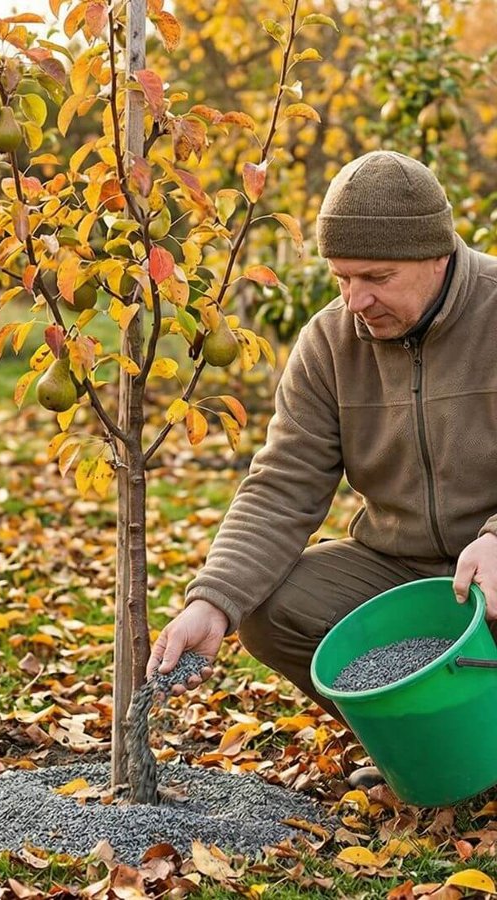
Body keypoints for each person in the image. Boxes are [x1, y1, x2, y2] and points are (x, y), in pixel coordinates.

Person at [147, 150, 497, 787]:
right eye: (341, 277)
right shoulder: (329, 343)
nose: (356, 299)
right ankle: (433, 752)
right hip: (402, 568)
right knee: (270, 606)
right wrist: (213, 602)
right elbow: (283, 485)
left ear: (438, 254)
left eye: (377, 276)